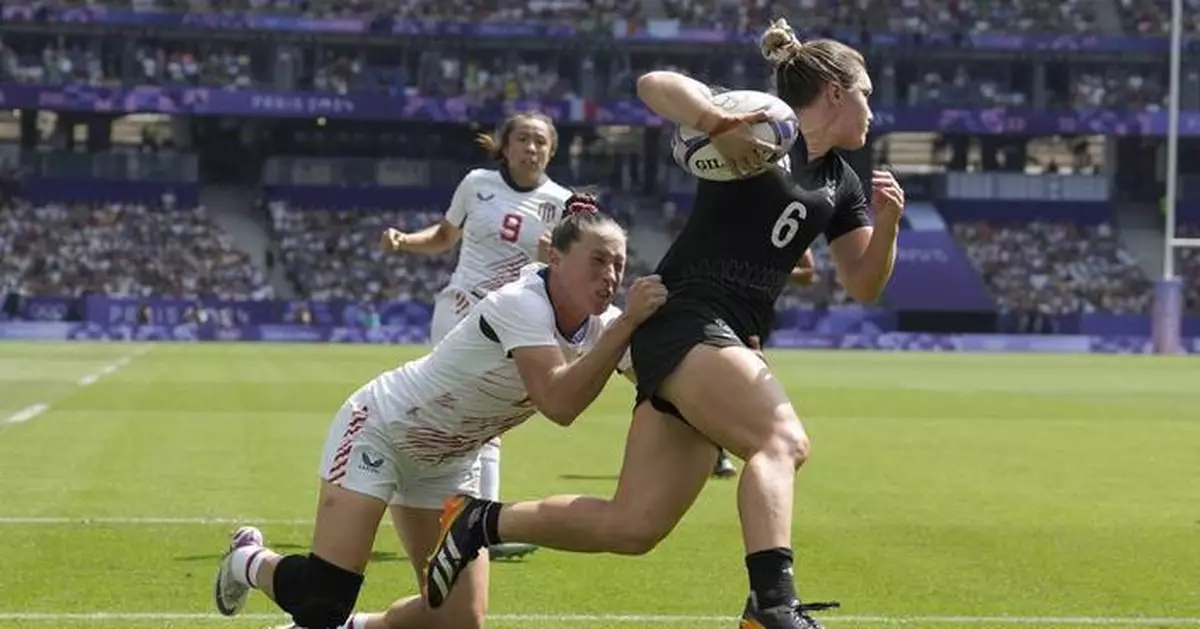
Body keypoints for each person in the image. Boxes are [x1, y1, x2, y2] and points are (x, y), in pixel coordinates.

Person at [422, 17, 906, 629]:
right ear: (836, 91)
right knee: (782, 442)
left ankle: (477, 521)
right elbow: (656, 83)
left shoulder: (842, 181)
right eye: (866, 91)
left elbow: (864, 282)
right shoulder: (760, 124)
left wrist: (887, 225)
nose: (872, 107)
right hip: (687, 319)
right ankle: (772, 608)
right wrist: (715, 125)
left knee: (633, 526)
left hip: (719, 336)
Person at [212, 197, 668, 629]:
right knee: (323, 599)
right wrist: (628, 325)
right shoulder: (522, 304)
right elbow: (559, 403)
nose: (611, 276)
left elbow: (662, 379)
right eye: (598, 261)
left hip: (448, 462)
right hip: (383, 431)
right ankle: (248, 559)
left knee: (456, 620)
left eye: (619, 265)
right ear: (557, 259)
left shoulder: (603, 327)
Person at [379, 112, 573, 560]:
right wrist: (406, 241)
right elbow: (446, 236)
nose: (531, 148)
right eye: (523, 139)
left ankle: (468, 520)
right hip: (462, 309)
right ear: (504, 147)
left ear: (551, 151)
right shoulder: (477, 183)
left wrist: (553, 259)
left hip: (517, 320)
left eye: (540, 141)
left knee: (490, 421)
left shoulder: (562, 203)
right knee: (454, 409)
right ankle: (470, 521)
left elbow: (569, 269)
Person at [713, 248, 817, 479]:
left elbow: (809, 273)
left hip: (759, 315)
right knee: (729, 380)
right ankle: (720, 452)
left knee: (741, 383)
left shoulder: (793, 226)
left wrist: (777, 271)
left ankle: (736, 447)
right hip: (725, 310)